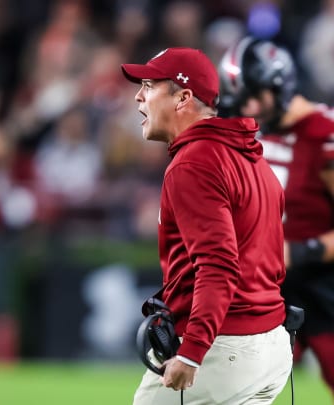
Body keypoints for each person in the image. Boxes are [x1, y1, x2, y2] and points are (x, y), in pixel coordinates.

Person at [121, 47, 292, 404]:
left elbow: (218, 265)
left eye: (150, 85)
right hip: (271, 345)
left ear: (183, 97)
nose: (139, 95)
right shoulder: (253, 161)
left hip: (221, 350)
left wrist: (192, 351)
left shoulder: (194, 163)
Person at [219, 36, 334, 395]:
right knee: (236, 386)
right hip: (267, 286)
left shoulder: (324, 135)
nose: (249, 106)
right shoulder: (250, 134)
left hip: (324, 285)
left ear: (279, 85)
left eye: (256, 95)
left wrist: (299, 251)